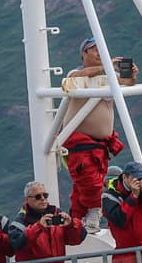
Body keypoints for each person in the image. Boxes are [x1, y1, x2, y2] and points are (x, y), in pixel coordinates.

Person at [58, 38, 136, 226]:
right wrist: (107, 67)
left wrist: (131, 75)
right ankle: (94, 212)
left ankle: (76, 221)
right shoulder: (76, 74)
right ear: (84, 53)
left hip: (100, 144)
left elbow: (127, 83)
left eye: (102, 49)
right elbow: (78, 77)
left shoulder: (109, 76)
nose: (100, 53)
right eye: (95, 49)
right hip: (79, 142)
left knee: (82, 186)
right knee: (89, 181)